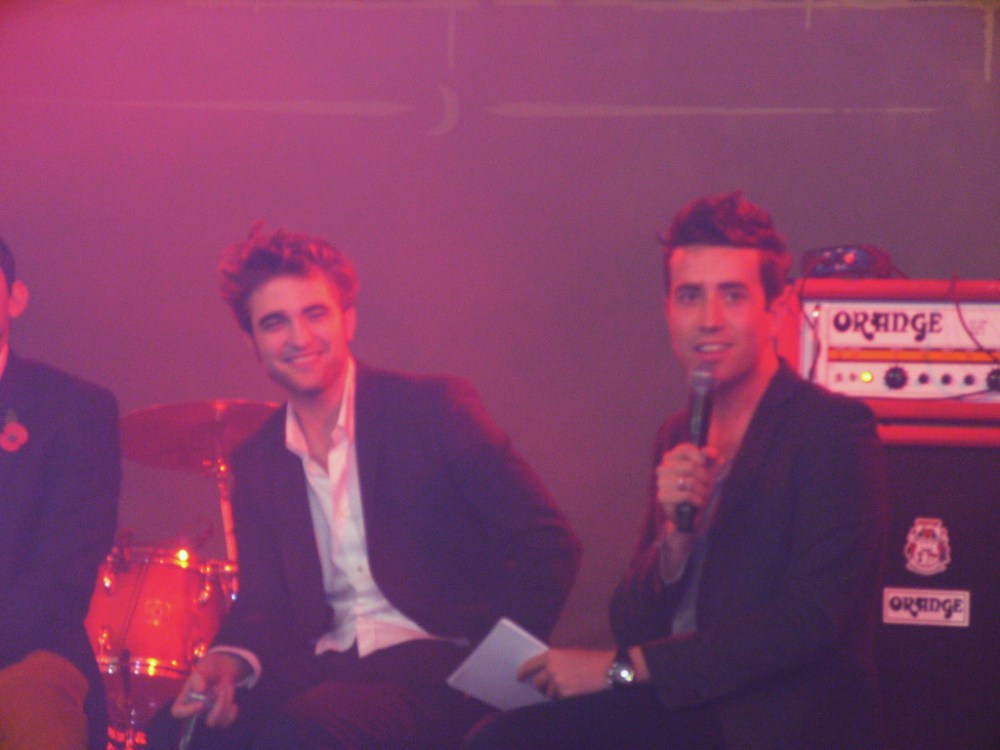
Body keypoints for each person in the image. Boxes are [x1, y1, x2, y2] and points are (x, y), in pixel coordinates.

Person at [463, 191, 887, 750]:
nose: (709, 320)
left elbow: (810, 622)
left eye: (732, 295)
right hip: (675, 707)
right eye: (690, 296)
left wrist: (620, 669)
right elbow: (632, 622)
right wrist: (675, 543)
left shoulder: (830, 429)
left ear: (776, 310)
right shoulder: (678, 433)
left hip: (770, 720)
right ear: (668, 310)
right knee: (497, 738)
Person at [146, 224, 581, 750]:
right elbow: (264, 605)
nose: (299, 338)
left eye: (315, 314)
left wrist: (495, 670)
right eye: (275, 323)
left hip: (439, 664)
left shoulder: (432, 409)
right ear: (252, 343)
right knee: (173, 735)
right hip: (323, 668)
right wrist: (227, 661)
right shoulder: (257, 459)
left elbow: (547, 544)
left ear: (347, 318)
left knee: (301, 732)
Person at [0, 238, 121, 750]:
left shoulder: (72, 408)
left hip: (28, 654)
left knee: (33, 715)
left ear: (15, 298)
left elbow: (59, 578)